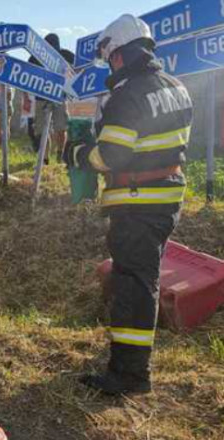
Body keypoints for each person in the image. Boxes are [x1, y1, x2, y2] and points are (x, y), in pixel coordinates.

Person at [66, 14, 192, 395]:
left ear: (119, 56)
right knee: (142, 281)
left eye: (110, 59)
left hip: (138, 203)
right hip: (166, 198)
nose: (110, 66)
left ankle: (130, 375)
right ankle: (128, 364)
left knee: (134, 287)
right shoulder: (176, 86)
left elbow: (111, 157)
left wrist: (77, 154)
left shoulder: (128, 95)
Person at [30, 33, 75, 163]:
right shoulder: (34, 57)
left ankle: (60, 154)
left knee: (61, 128)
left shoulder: (66, 55)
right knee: (41, 130)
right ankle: (44, 158)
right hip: (40, 97)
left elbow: (77, 69)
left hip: (59, 97)